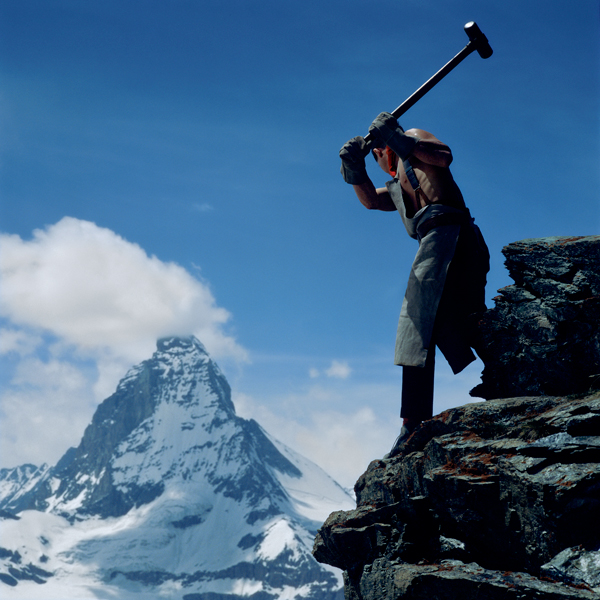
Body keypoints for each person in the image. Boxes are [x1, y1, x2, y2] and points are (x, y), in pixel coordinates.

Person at [340, 112, 489, 457]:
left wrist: (396, 137)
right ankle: (513, 369)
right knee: (455, 321)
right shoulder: (398, 180)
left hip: (447, 236)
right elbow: (372, 201)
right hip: (448, 242)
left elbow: (443, 154)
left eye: (375, 150)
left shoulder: (414, 142)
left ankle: (414, 423)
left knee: (415, 323)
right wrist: (353, 171)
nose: (377, 156)